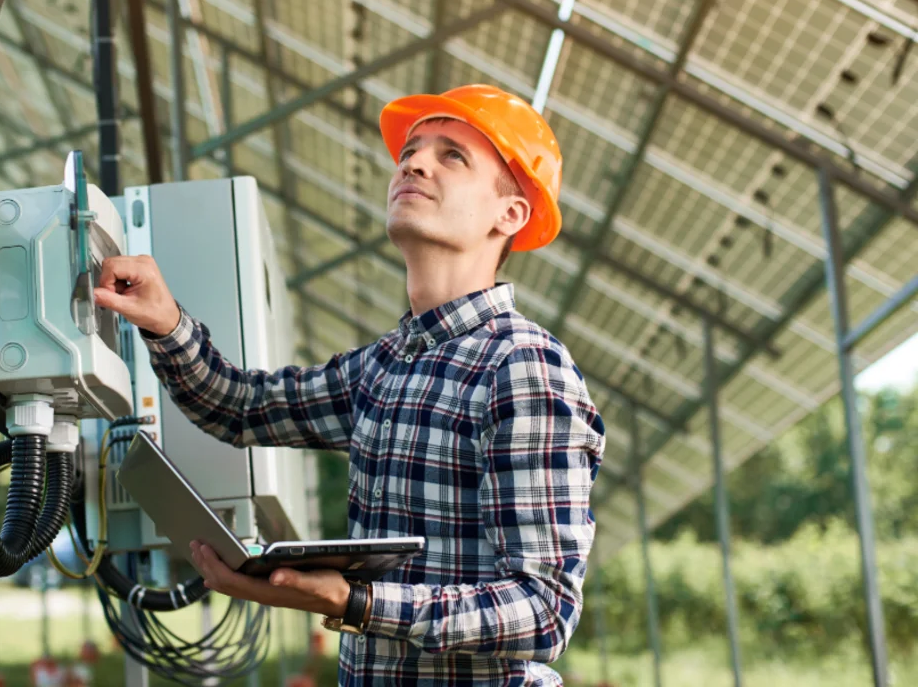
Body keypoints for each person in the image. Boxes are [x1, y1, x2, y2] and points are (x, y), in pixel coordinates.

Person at [94, 84, 606, 686]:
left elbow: (545, 611)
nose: (413, 163)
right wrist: (165, 321)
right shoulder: (384, 366)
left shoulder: (524, 368)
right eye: (411, 151)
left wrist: (354, 603)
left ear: (510, 214)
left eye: (452, 156)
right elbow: (239, 407)